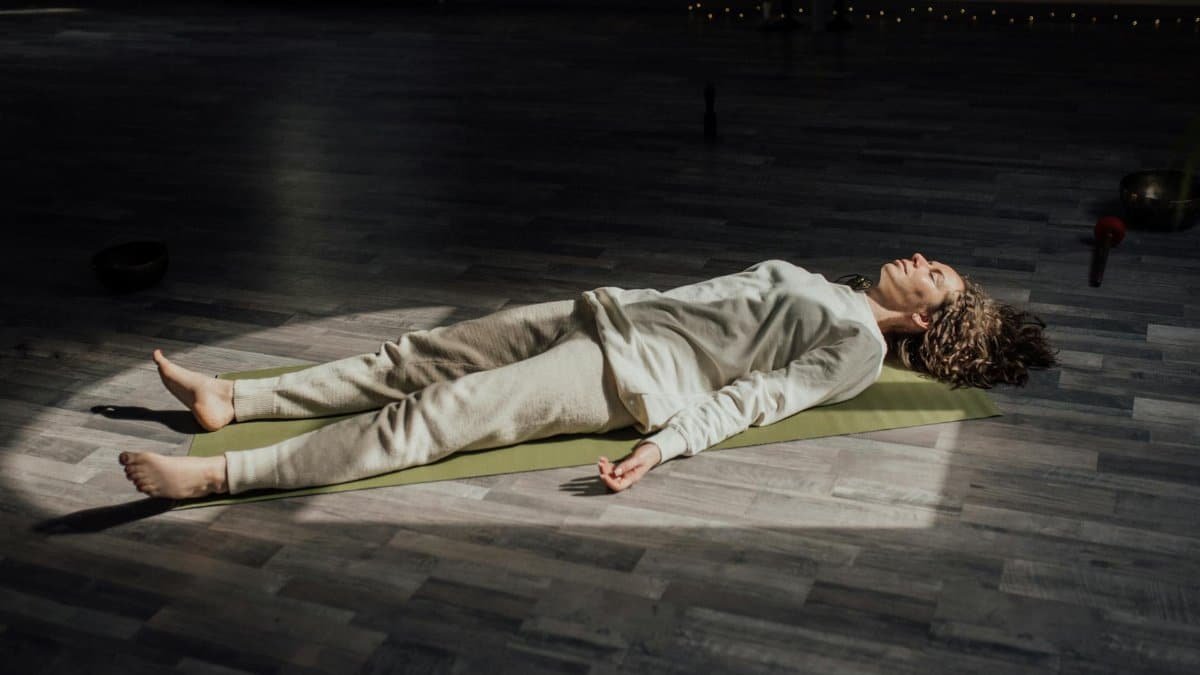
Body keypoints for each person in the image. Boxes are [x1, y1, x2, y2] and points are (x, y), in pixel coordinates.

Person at [119, 254, 1057, 500]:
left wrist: (663, 444)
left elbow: (759, 398)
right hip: (604, 313)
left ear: (930, 317)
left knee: (433, 416)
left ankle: (221, 474)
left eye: (937, 272)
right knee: (411, 356)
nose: (923, 257)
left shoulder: (853, 347)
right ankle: (236, 400)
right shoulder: (832, 286)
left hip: (621, 374)